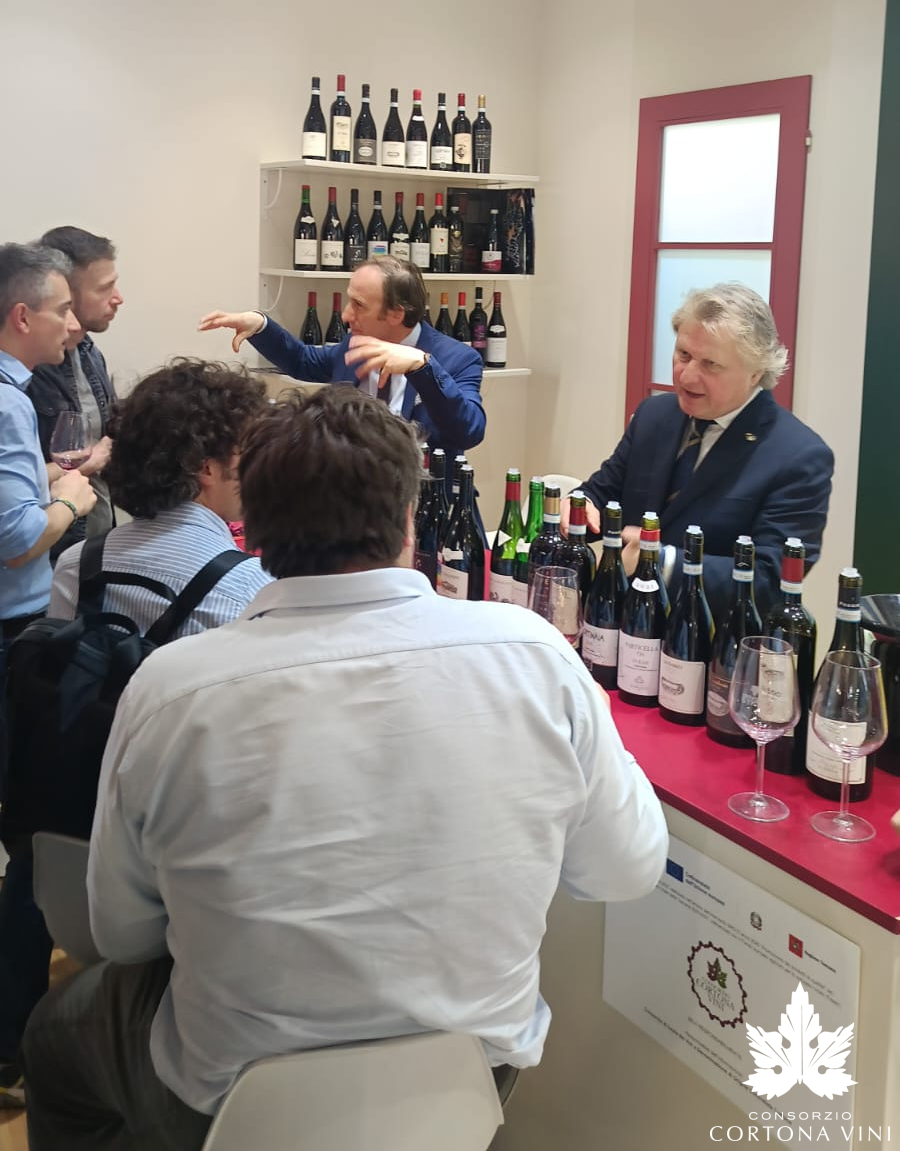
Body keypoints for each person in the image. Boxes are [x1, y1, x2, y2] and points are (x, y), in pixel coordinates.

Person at [22, 384, 668, 1149]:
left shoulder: (171, 690)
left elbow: (124, 934)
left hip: (227, 1106)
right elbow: (628, 869)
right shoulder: (535, 656)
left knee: (55, 1036)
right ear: (408, 517)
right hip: (464, 1088)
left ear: (253, 525)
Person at [0, 359, 273, 1109]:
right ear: (207, 468)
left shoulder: (81, 561)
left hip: (67, 831)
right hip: (170, 856)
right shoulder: (243, 586)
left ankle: (8, 1043)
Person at [566, 283, 834, 620]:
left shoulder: (799, 456)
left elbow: (771, 582)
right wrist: (579, 505)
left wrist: (663, 562)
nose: (687, 376)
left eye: (710, 364)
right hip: (623, 622)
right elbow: (604, 493)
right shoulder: (654, 416)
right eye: (683, 355)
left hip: (710, 639)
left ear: (755, 372)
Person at [198, 255, 485, 458]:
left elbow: (469, 431)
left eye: (359, 305)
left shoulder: (457, 359)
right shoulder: (355, 344)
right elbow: (304, 361)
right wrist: (261, 325)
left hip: (423, 508)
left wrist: (422, 367)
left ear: (396, 314)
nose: (346, 315)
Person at [0, 243, 96, 740]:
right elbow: (17, 543)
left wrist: (49, 475)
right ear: (22, 317)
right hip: (11, 625)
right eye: (61, 311)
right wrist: (70, 501)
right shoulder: (9, 405)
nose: (72, 325)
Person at [28, 226, 124, 558]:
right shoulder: (26, 370)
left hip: (96, 544)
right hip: (48, 553)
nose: (118, 298)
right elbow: (14, 483)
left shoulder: (89, 352)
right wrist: (85, 463)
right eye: (104, 288)